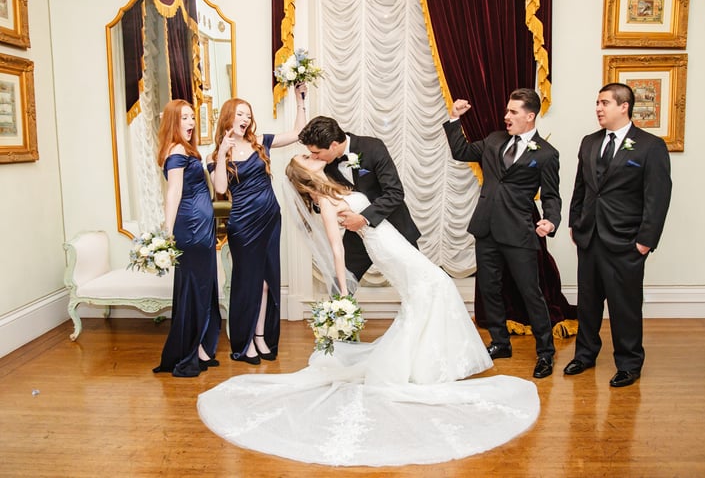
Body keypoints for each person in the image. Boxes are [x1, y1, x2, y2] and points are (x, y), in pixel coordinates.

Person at [195, 154, 540, 466]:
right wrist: (344, 293)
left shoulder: (337, 183)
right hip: (385, 249)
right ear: (304, 172)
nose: (312, 156)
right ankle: (429, 365)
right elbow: (336, 248)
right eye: (306, 157)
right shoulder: (325, 202)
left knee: (432, 291)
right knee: (435, 287)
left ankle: (431, 362)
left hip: (393, 240)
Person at [443, 88, 561, 379]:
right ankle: (500, 342)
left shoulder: (546, 154)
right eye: (507, 111)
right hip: (486, 228)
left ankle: (545, 352)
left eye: (513, 112)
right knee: (489, 288)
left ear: (530, 116)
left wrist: (551, 220)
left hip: (519, 231)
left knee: (531, 293)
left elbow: (552, 195)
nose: (506, 116)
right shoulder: (494, 140)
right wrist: (453, 118)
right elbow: (461, 152)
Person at [565, 82, 671, 388]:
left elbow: (658, 197)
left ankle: (628, 363)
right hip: (589, 237)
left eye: (604, 103)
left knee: (625, 306)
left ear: (624, 106)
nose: (598, 108)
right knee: (588, 303)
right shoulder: (589, 142)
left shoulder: (650, 146)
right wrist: (575, 222)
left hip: (627, 241)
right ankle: (584, 355)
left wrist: (645, 241)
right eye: (597, 103)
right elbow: (581, 188)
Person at [207, 84, 307, 365]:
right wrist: (223, 154)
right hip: (242, 224)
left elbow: (298, 135)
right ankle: (245, 339)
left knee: (265, 283)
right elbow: (221, 190)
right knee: (246, 283)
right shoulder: (215, 155)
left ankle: (261, 336)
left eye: (248, 115)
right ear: (228, 117)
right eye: (240, 114)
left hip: (269, 218)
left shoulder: (260, 141)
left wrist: (300, 101)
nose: (245, 119)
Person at [297, 116, 421, 281]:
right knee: (342, 284)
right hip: (357, 236)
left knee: (417, 280)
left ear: (333, 145)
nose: (313, 157)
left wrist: (363, 218)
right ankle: (337, 308)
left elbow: (395, 192)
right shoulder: (323, 164)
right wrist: (316, 200)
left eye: (316, 152)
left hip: (394, 225)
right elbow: (326, 200)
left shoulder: (373, 147)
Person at [153, 99, 222, 377]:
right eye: (184, 118)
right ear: (173, 122)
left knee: (203, 288)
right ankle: (190, 352)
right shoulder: (177, 150)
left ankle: (202, 347)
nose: (191, 122)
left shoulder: (185, 149)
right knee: (196, 290)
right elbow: (174, 192)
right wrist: (168, 232)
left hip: (201, 228)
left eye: (192, 117)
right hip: (191, 229)